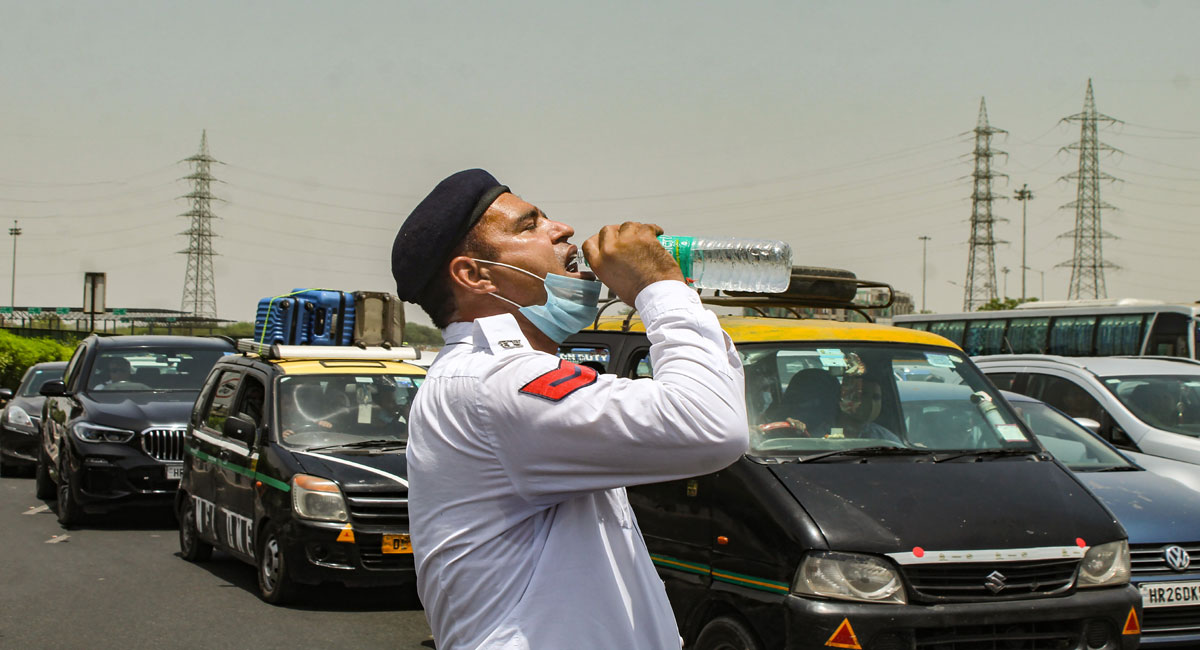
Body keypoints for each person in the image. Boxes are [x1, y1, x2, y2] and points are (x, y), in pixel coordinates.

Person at [392, 169, 748, 650]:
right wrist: (660, 287)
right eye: (529, 225)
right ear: (475, 275)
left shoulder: (498, 373)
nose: (561, 229)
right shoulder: (495, 380)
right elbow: (710, 425)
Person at [832, 376, 902, 444]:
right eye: (863, 395)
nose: (871, 403)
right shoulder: (826, 431)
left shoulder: (886, 440)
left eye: (876, 397)